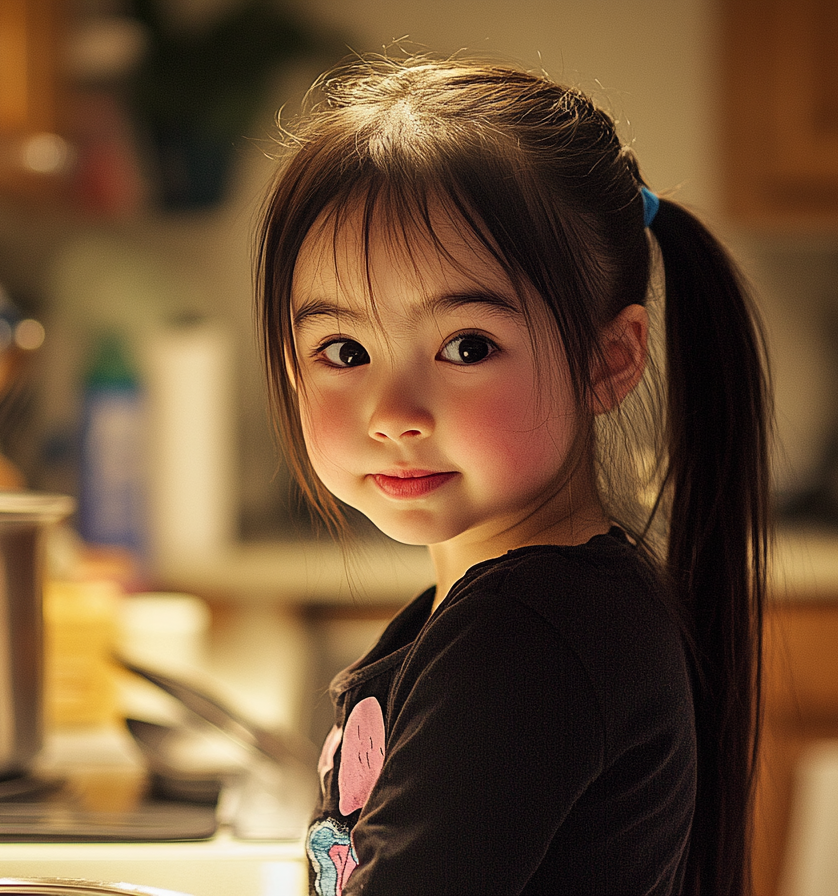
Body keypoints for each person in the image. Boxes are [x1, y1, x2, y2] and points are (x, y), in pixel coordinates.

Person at [255, 54, 770, 896]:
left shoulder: (528, 642)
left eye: (466, 347)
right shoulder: (520, 614)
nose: (393, 411)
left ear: (609, 360)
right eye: (343, 351)